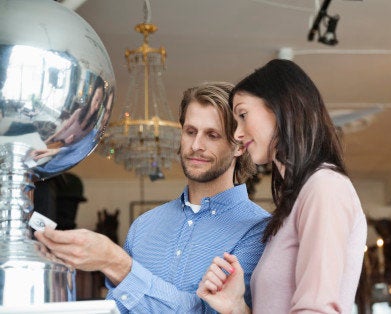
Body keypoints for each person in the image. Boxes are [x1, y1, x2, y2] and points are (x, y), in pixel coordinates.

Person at [35, 82, 270, 313]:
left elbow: (212, 311)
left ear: (239, 145)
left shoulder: (259, 230)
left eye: (212, 135)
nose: (196, 145)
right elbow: (118, 308)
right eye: (190, 132)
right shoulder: (144, 225)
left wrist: (117, 264)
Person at [197, 59, 367, 313]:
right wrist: (236, 307)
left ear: (280, 107)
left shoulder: (325, 187)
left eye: (243, 115)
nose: (237, 134)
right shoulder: (297, 203)